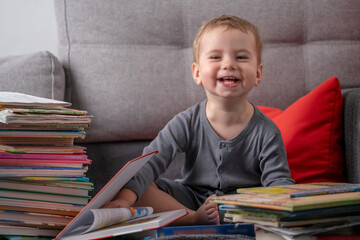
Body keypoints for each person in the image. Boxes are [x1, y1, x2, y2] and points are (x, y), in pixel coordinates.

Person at [103, 15, 294, 225]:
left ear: (258, 74)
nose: (229, 64)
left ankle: (219, 219)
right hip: (190, 200)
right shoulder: (186, 122)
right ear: (197, 73)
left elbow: (278, 182)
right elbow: (151, 161)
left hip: (242, 204)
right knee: (142, 189)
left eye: (240, 57)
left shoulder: (267, 131)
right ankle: (195, 219)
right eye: (215, 57)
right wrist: (124, 199)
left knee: (273, 199)